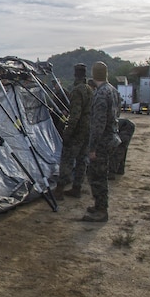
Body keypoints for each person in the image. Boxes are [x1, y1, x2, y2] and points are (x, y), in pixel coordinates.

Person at [83, 61, 118, 222]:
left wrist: (92, 148)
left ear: (94, 74)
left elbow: (98, 124)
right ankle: (99, 205)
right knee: (100, 175)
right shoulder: (112, 90)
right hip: (110, 139)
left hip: (101, 143)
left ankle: (101, 210)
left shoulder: (100, 94)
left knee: (97, 176)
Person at [54, 63, 92, 200]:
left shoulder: (77, 91)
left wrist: (68, 132)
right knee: (82, 160)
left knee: (67, 160)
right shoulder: (89, 89)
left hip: (77, 131)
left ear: (76, 75)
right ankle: (77, 188)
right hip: (87, 130)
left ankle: (59, 190)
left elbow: (75, 115)